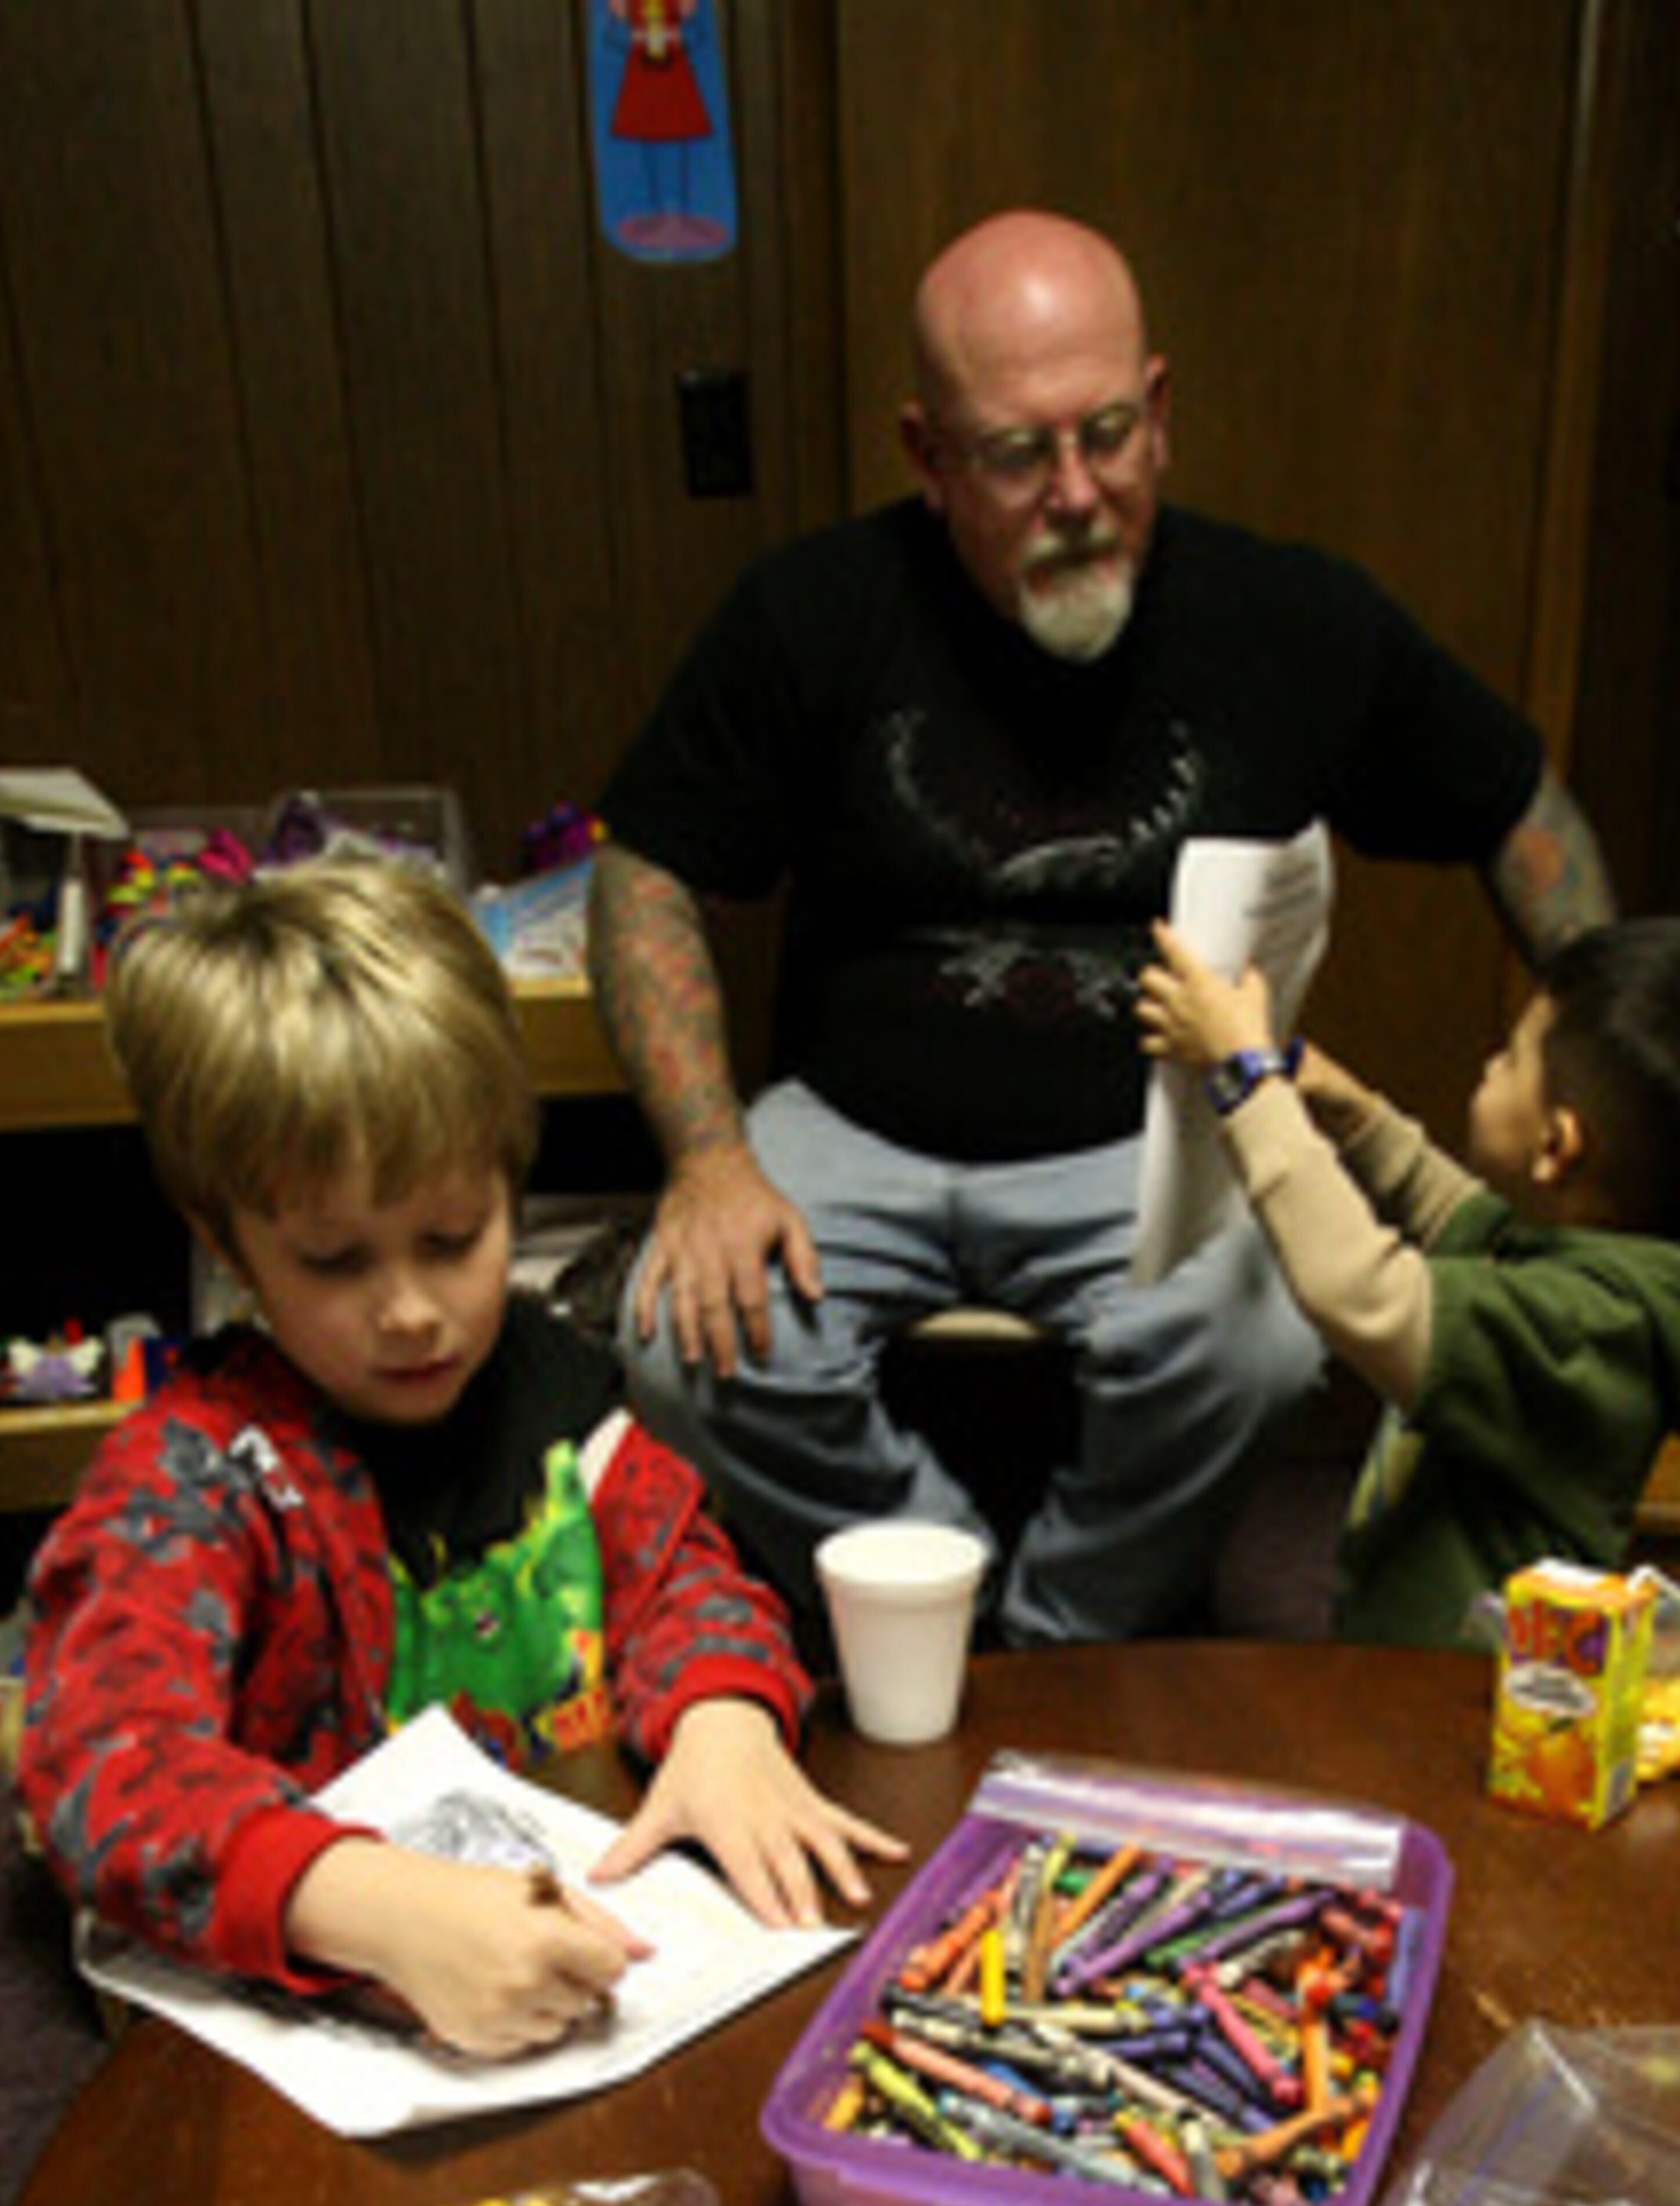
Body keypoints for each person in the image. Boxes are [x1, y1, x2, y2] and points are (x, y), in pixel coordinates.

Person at [590, 205, 1613, 1648]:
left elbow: (1521, 810)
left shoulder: (1288, 617)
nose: (1076, 489)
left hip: (1151, 1135)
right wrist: (704, 1155)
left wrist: (1600, 1069)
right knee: (677, 1346)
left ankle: (1048, 1648)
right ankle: (927, 1575)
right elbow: (644, 872)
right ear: (924, 454)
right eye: (1016, 453)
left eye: (1109, 433)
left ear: (1161, 410)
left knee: (1257, 1349)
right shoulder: (809, 613)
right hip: (855, 1127)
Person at [17, 859, 902, 2059]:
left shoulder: (560, 1384)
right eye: (335, 1259)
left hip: (597, 1950)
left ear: (510, 1179)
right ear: (223, 1239)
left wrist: (724, 1716)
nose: (411, 1313)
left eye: (452, 1238)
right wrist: (366, 1905)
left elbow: (688, 1573)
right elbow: (100, 1764)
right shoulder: (193, 1474)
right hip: (341, 2016)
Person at [1136, 911, 1680, 1645]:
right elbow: (1459, 1212)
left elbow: (1364, 1294)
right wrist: (1352, 1110)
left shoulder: (1588, 1327)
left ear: (1556, 1145)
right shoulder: (1584, 1250)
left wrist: (1247, 1079)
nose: (1492, 1064)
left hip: (1483, 1689)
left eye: (1513, 1059)